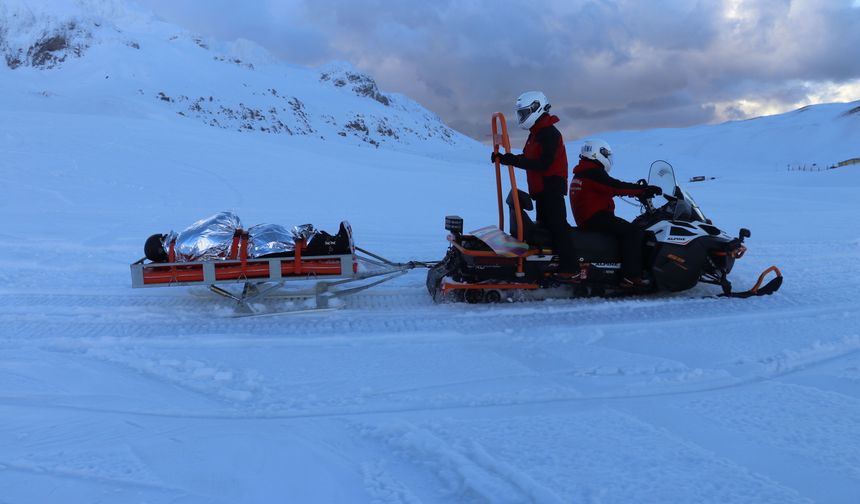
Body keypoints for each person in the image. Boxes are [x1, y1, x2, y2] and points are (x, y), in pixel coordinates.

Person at [490, 91, 576, 275]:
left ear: (536, 109)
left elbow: (544, 163)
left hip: (551, 188)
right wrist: (506, 158)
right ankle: (547, 265)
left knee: (558, 227)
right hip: (542, 189)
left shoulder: (549, 133)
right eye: (519, 114)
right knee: (545, 229)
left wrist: (512, 161)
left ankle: (571, 268)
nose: (521, 117)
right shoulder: (536, 133)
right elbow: (529, 158)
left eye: (523, 113)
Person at [569, 139, 662, 288]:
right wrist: (643, 190)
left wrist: (634, 192)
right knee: (633, 232)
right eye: (606, 154)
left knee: (627, 230)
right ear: (597, 154)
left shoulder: (583, 172)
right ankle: (631, 277)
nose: (608, 159)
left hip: (589, 217)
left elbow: (606, 189)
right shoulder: (592, 172)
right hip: (596, 217)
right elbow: (615, 186)